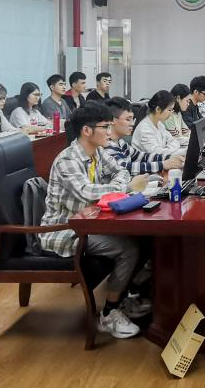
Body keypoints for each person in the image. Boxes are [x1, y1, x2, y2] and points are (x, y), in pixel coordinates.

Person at [37, 102, 155, 339]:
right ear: (86, 130)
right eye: (105, 127)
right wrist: (124, 187)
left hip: (92, 221)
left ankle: (122, 298)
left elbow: (121, 171)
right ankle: (109, 314)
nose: (110, 132)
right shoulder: (67, 160)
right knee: (129, 249)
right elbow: (87, 193)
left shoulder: (97, 152)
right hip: (66, 230)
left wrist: (120, 184)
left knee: (145, 239)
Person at [105, 97, 183, 175]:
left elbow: (141, 156)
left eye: (132, 119)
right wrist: (162, 164)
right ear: (113, 120)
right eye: (128, 119)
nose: (132, 124)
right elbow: (124, 167)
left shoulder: (120, 143)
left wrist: (169, 158)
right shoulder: (106, 146)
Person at [133, 89, 186, 158]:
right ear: (158, 109)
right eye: (169, 110)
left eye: (172, 110)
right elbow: (157, 154)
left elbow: (174, 141)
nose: (171, 113)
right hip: (148, 163)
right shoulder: (145, 129)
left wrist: (167, 149)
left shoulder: (159, 124)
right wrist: (182, 151)